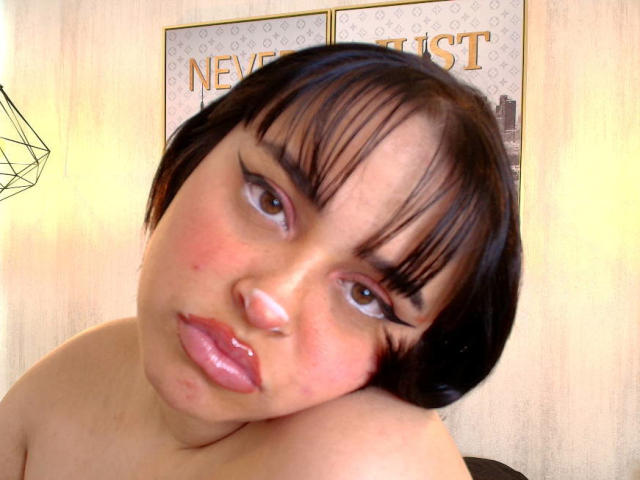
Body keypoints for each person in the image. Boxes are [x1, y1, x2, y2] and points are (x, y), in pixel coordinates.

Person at [0, 43, 521, 479]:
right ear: (192, 158)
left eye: (365, 295)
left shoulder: (366, 460)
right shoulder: (72, 373)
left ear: (416, 359)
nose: (270, 301)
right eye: (269, 201)